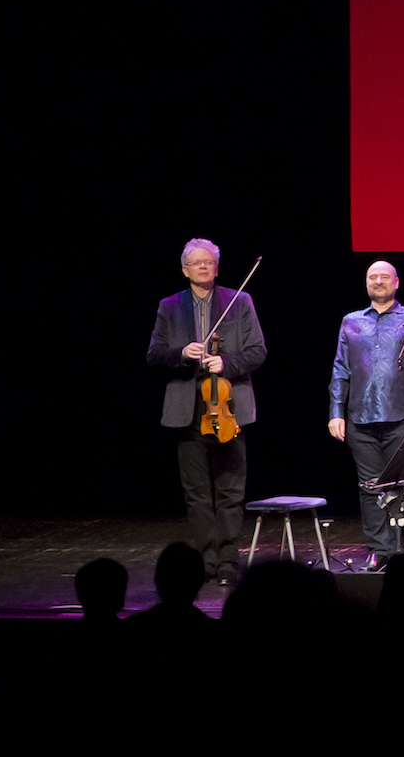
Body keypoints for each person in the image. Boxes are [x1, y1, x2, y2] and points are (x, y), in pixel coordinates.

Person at [145, 238, 266, 585]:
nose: (203, 267)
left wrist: (225, 363)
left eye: (209, 262)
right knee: (197, 492)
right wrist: (183, 352)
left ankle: (227, 561)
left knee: (231, 489)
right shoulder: (169, 306)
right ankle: (205, 560)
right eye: (196, 263)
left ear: (216, 267)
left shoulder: (239, 301)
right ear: (185, 270)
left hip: (228, 408)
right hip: (188, 409)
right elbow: (154, 355)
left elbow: (258, 351)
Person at [329, 260, 404, 572]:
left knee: (401, 486)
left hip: (401, 414)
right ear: (366, 283)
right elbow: (340, 369)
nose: (378, 281)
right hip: (360, 417)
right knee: (370, 487)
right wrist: (336, 412)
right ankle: (379, 549)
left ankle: (400, 548)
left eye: (384, 277)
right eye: (372, 277)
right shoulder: (350, 321)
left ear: (396, 282)